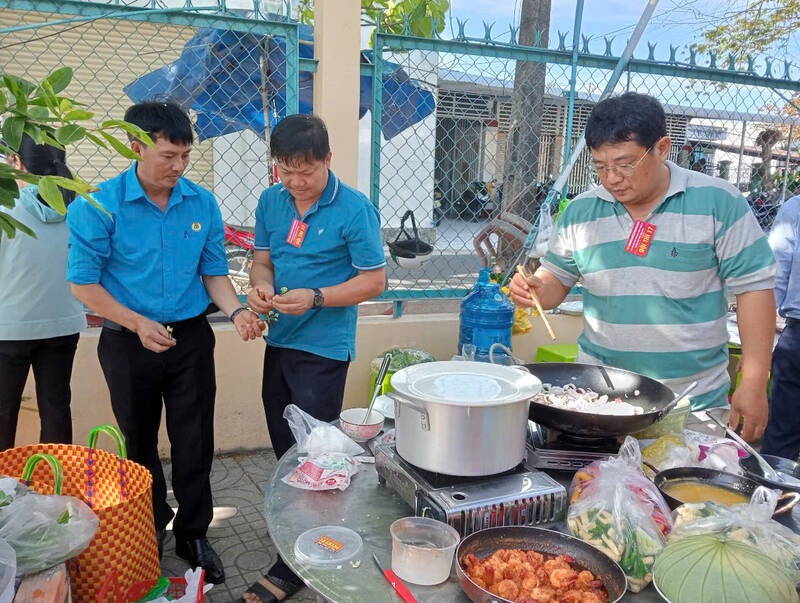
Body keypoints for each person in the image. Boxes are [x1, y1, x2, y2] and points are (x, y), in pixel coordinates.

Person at [66, 102, 265, 583]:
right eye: (168, 155)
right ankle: (149, 523)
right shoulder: (98, 204)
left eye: (185, 156)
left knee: (194, 439)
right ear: (135, 148)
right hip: (127, 340)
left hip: (190, 338)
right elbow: (84, 284)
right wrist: (135, 322)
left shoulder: (200, 202)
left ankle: (194, 533)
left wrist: (236, 310)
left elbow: (214, 273)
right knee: (138, 440)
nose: (178, 166)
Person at [510, 92, 776, 441]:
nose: (612, 178)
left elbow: (754, 289)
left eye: (624, 164)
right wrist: (535, 290)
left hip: (692, 405)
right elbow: (555, 281)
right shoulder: (581, 212)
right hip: (597, 402)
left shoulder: (719, 202)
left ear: (662, 148)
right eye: (600, 167)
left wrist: (754, 380)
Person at [240, 114, 385, 602]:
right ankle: (297, 530)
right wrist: (259, 287)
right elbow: (262, 259)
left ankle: (295, 565)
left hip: (322, 349)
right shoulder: (270, 200)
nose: (297, 182)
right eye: (286, 171)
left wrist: (317, 297)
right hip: (279, 340)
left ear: (328, 160)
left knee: (317, 454)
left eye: (307, 171)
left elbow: (373, 281)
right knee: (286, 447)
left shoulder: (355, 208)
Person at [0, 135, 86, 451]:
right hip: (64, 324)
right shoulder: (76, 205)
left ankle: (3, 493)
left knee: (3, 411)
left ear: (15, 162)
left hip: (9, 329)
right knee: (56, 407)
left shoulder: (5, 208)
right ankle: (55, 489)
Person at [762, 194, 800, 459]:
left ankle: (777, 496)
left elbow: (773, 274)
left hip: (797, 338)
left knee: (781, 436)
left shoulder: (796, 207)